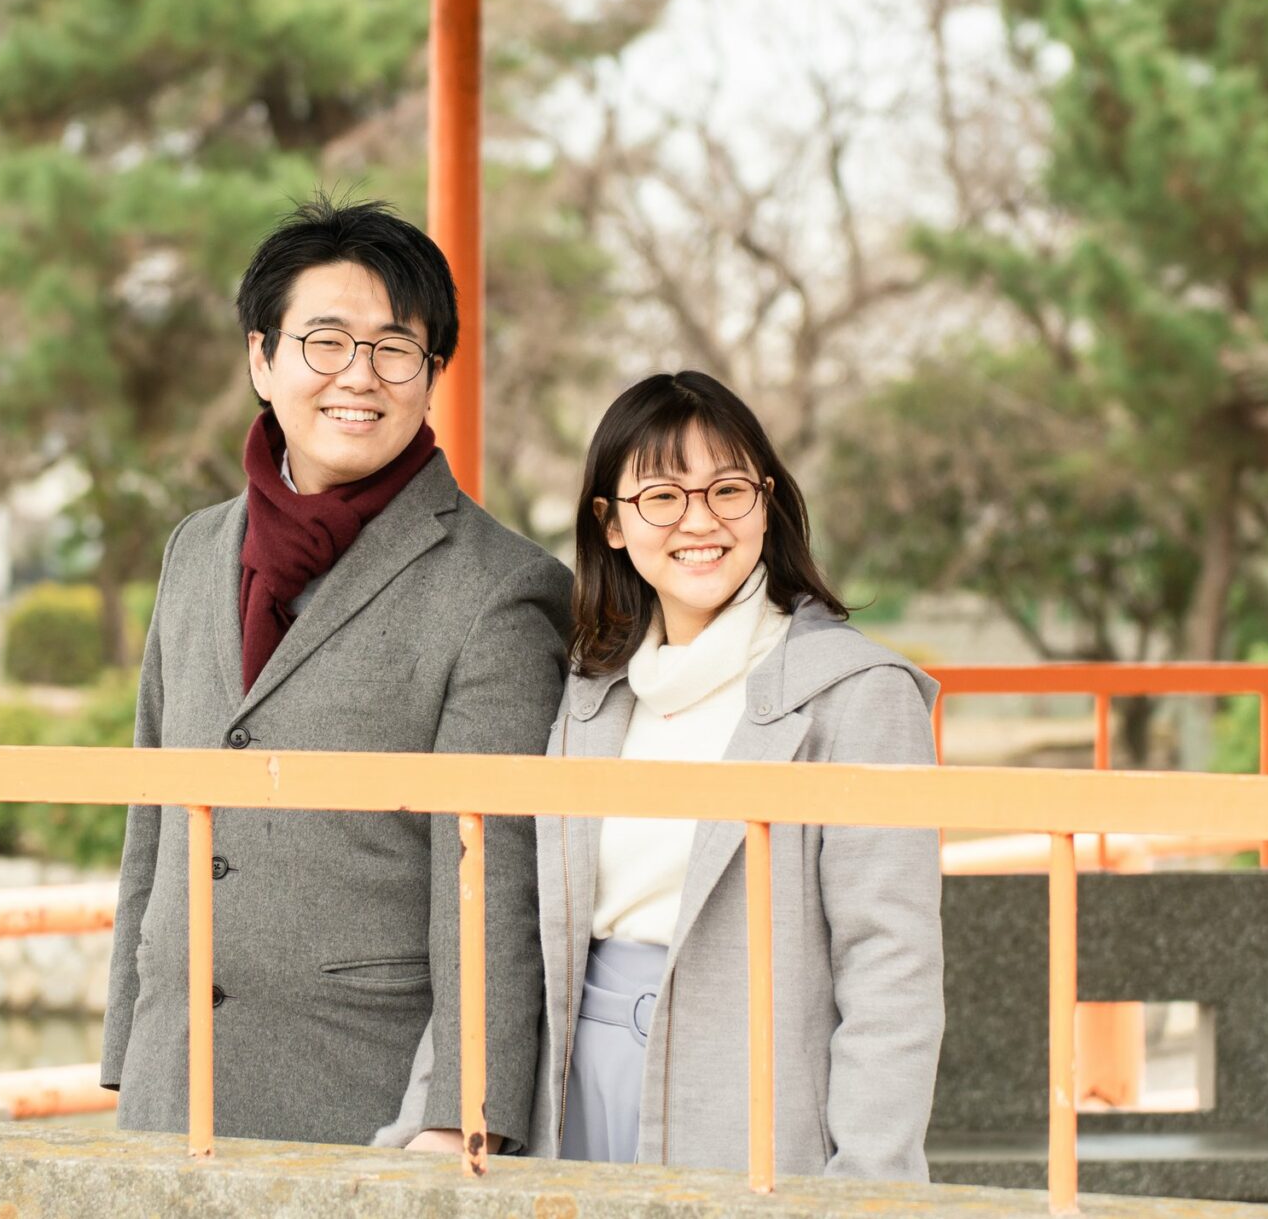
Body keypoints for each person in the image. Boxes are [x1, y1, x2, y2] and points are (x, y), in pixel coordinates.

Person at [99, 196, 569, 1149]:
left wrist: (461, 1115)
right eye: (325, 341)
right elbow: (153, 811)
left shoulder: (502, 588)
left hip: (366, 1098)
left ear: (432, 374)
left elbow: (493, 875)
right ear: (261, 358)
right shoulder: (195, 549)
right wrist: (125, 1045)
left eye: (396, 348)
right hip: (169, 1078)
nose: (360, 376)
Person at [392, 369, 942, 1172]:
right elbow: (517, 914)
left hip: (753, 1080)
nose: (700, 521)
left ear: (767, 502)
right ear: (611, 524)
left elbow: (890, 963)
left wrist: (870, 1179)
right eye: (662, 496)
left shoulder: (855, 694)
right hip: (573, 1075)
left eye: (728, 489)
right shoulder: (592, 691)